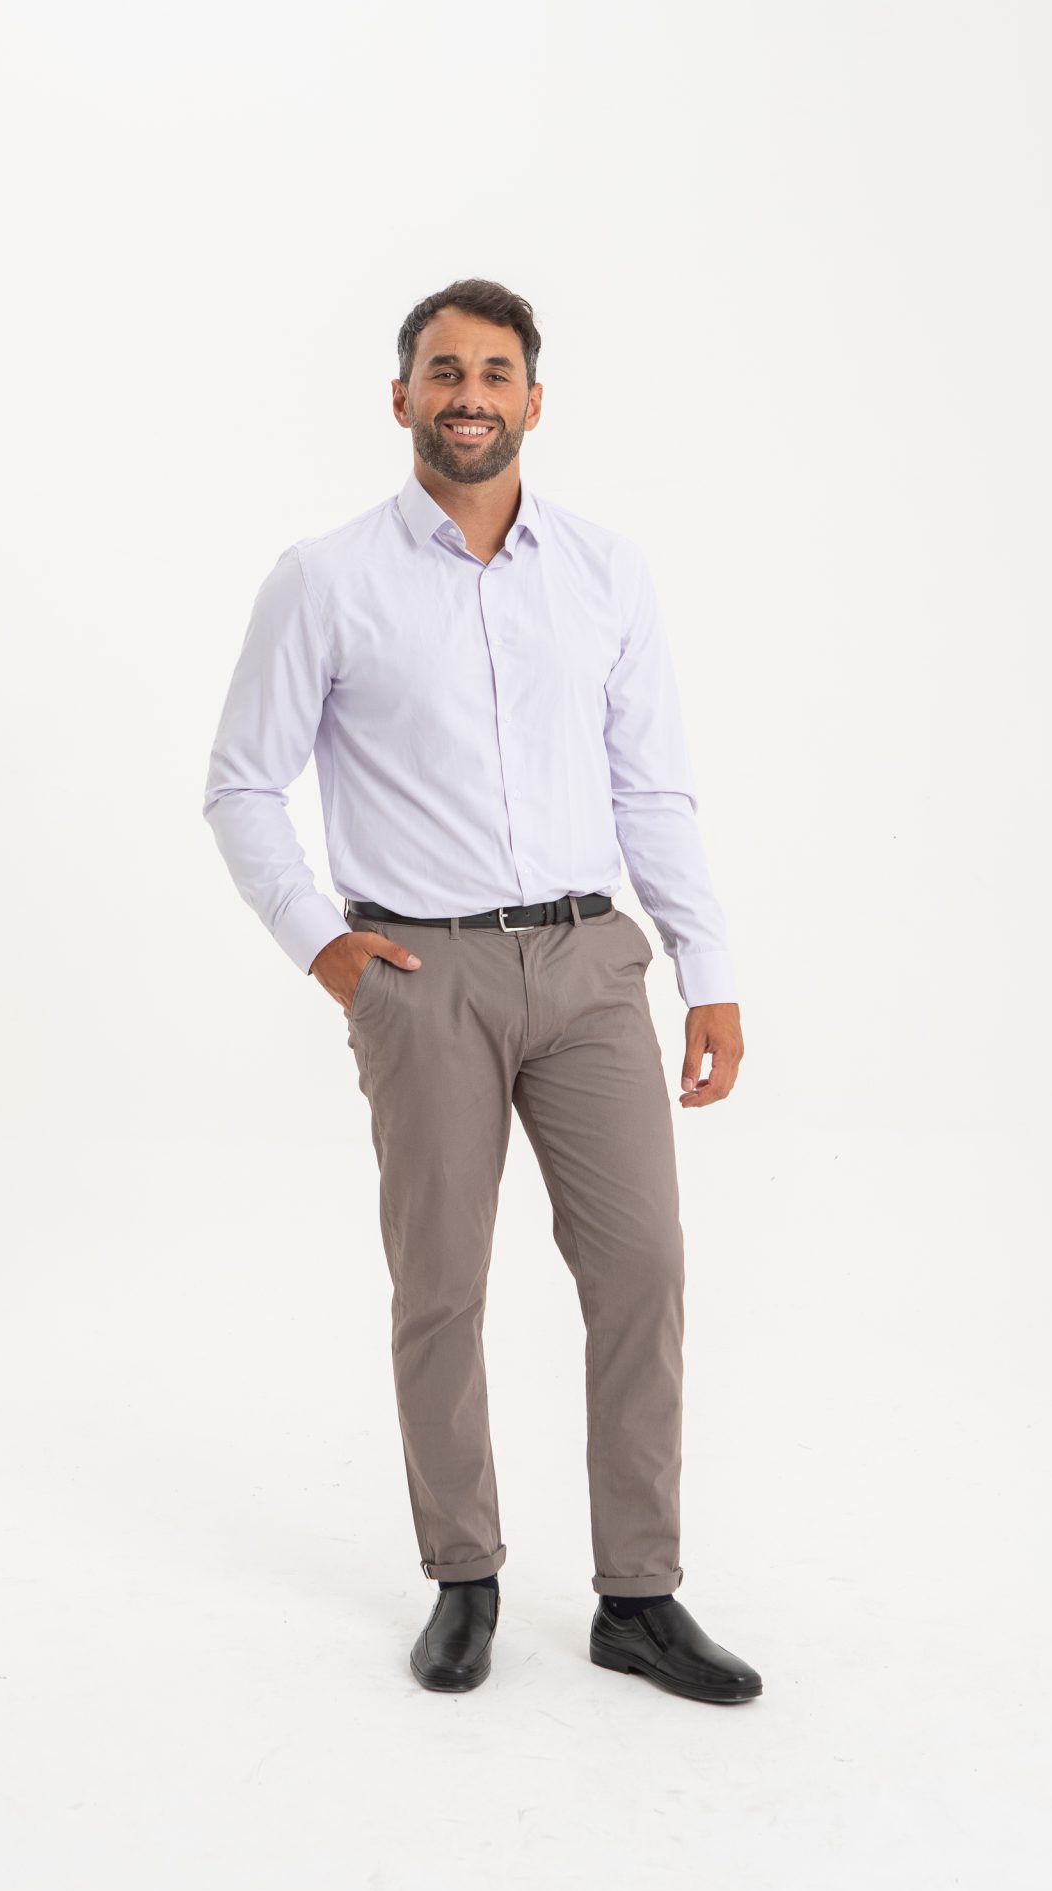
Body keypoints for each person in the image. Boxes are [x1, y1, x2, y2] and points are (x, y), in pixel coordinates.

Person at [202, 278, 761, 1706]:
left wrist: (707, 970)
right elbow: (244, 783)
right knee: (441, 1284)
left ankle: (639, 1596)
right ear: (401, 399)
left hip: (588, 965)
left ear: (534, 400)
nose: (470, 395)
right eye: (444, 371)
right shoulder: (325, 578)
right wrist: (324, 945)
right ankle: (464, 1577)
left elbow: (653, 785)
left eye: (495, 372)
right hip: (421, 973)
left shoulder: (605, 570)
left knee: (642, 1268)